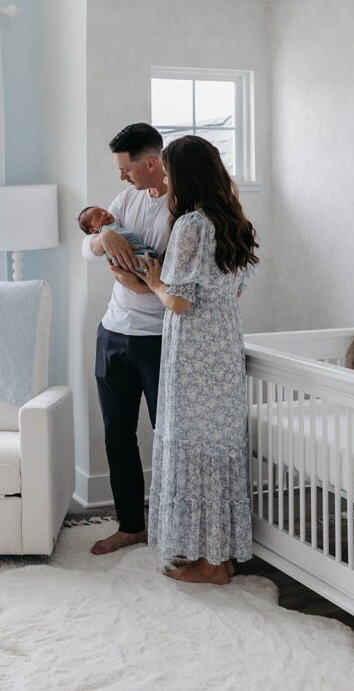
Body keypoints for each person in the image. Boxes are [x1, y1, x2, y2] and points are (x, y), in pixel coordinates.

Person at [140, 134, 259, 584]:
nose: (165, 179)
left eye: (169, 171)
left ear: (184, 175)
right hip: (223, 348)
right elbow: (235, 289)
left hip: (192, 354)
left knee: (194, 448)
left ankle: (212, 565)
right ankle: (218, 555)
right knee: (216, 452)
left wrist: (154, 282)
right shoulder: (235, 222)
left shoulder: (191, 224)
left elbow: (181, 303)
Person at [82, 123, 171, 555]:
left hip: (159, 338)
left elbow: (163, 278)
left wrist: (130, 277)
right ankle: (130, 525)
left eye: (127, 169)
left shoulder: (182, 209)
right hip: (113, 332)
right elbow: (89, 248)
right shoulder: (126, 200)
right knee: (117, 434)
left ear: (151, 163)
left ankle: (173, 527)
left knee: (167, 435)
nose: (122, 178)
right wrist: (105, 236)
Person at [77, 205, 160, 273]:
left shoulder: (114, 225)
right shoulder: (105, 229)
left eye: (105, 211)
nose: (104, 213)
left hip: (142, 255)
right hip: (133, 260)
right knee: (153, 267)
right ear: (93, 230)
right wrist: (104, 237)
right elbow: (87, 250)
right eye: (98, 216)